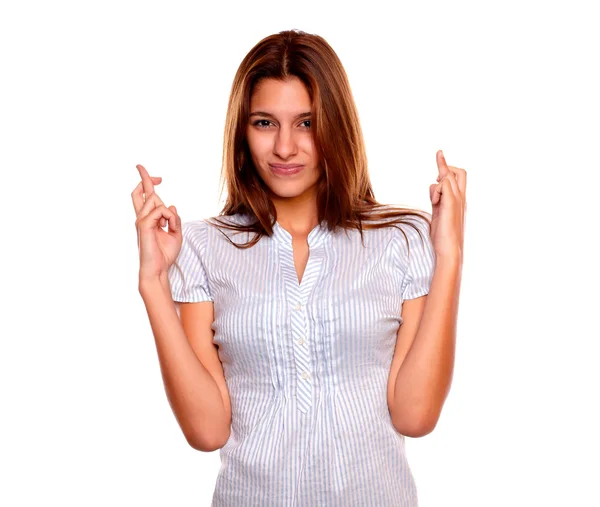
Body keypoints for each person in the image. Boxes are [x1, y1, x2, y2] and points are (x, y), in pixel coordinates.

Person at [132, 29, 466, 507]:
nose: (285, 148)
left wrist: (450, 254)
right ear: (242, 132)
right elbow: (207, 431)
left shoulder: (402, 238)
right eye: (265, 123)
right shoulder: (204, 246)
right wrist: (153, 283)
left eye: (306, 123)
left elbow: (416, 415)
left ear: (335, 126)